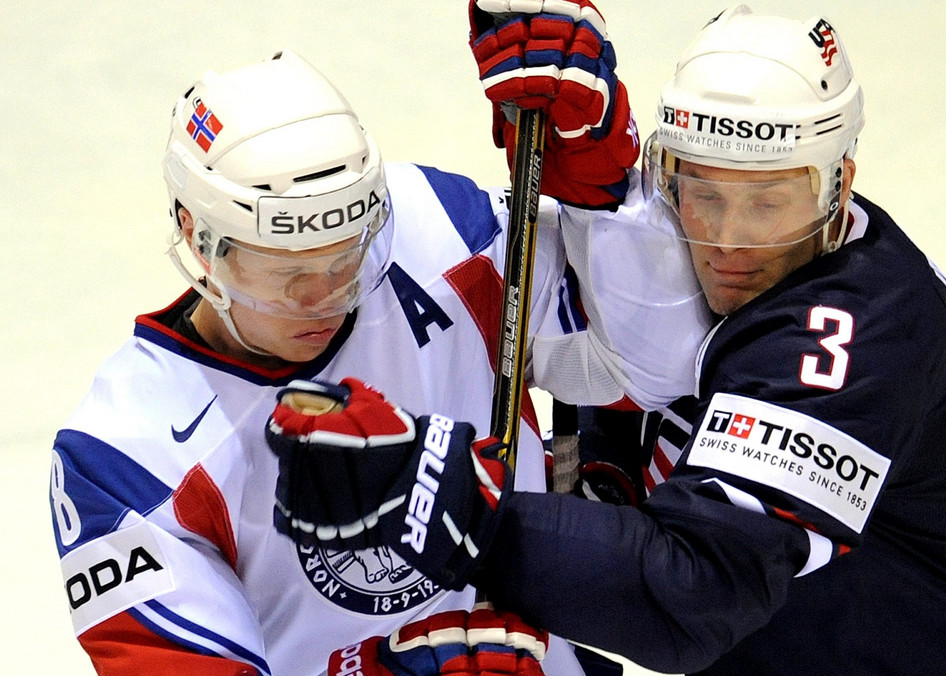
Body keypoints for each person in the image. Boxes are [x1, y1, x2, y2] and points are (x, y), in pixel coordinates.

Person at [263, 5, 946, 674]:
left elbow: (692, 593)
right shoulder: (691, 249)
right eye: (700, 192)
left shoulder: (853, 331)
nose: (729, 239)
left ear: (840, 183)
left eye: (770, 201)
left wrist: (454, 506)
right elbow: (632, 356)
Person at [47, 23, 711, 676]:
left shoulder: (439, 229)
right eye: (286, 277)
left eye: (344, 260)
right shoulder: (125, 457)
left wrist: (603, 191)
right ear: (198, 240)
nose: (325, 298)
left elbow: (654, 369)